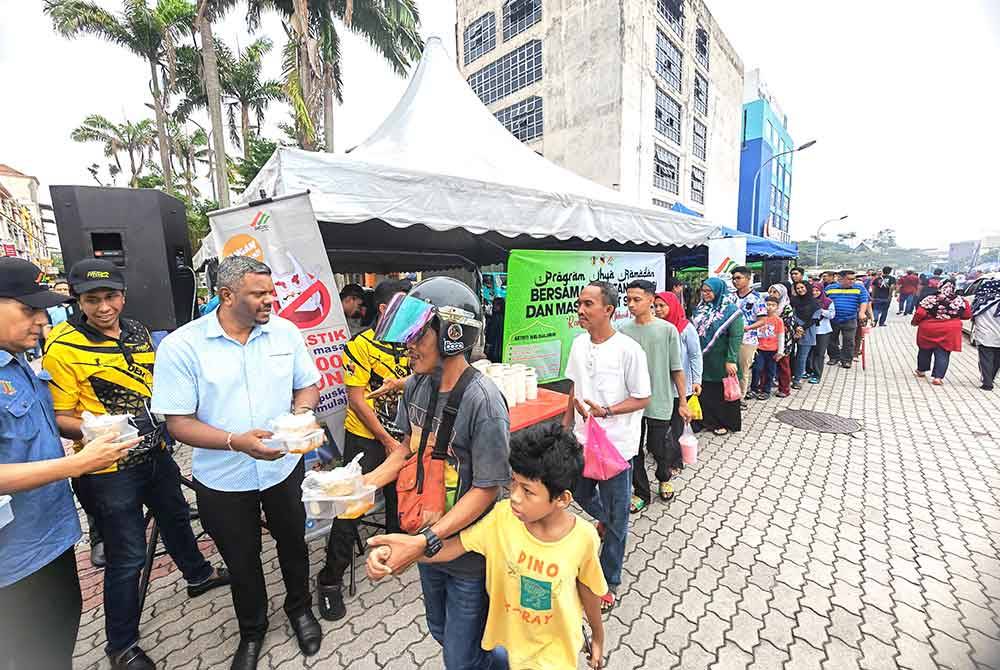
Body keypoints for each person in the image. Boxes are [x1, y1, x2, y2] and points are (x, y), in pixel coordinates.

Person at [43, 259, 230, 670]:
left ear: (123, 296)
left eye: (110, 296)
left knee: (177, 517)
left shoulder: (138, 330)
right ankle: (121, 645)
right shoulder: (61, 345)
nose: (104, 307)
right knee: (128, 555)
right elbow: (57, 416)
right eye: (92, 299)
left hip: (156, 452)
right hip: (109, 469)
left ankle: (198, 576)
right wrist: (95, 430)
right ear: (78, 301)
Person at [151, 256, 324, 670]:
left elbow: (308, 385)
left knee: (293, 544)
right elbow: (178, 423)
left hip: (283, 468)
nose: (271, 300)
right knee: (242, 558)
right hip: (223, 478)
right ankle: (252, 630)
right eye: (259, 294)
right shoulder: (182, 346)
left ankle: (300, 609)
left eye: (271, 291)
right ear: (226, 296)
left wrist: (301, 414)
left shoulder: (285, 332)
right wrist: (235, 442)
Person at [350, 276, 512, 670]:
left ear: (453, 335)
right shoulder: (416, 386)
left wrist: (424, 541)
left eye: (420, 334)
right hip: (428, 542)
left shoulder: (485, 403)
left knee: (460, 658)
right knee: (442, 632)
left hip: (468, 552)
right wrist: (360, 486)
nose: (409, 344)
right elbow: (408, 448)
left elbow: (488, 489)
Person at [368, 424, 609, 669]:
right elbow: (454, 547)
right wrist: (403, 551)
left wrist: (598, 637)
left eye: (527, 491)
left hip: (554, 655)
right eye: (513, 483)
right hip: (509, 645)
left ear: (562, 499)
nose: (514, 496)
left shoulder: (584, 537)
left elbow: (589, 589)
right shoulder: (502, 518)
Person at [0, 258, 140, 670]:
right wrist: (80, 464)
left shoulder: (19, 364)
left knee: (58, 642)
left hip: (50, 536)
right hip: (13, 560)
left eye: (42, 309)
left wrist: (93, 434)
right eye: (28, 310)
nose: (41, 320)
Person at [315, 279, 411, 621]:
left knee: (400, 496)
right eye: (406, 304)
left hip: (402, 435)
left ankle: (391, 549)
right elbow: (356, 400)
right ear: (385, 310)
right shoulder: (360, 345)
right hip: (367, 436)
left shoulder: (410, 340)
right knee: (353, 505)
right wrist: (386, 439)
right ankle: (329, 580)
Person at [562, 281, 650, 611]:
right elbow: (574, 386)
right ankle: (608, 520)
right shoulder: (578, 344)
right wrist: (565, 426)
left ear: (608, 310)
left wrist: (607, 411)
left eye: (588, 304)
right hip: (583, 441)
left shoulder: (629, 350)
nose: (581, 310)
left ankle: (608, 579)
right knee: (578, 492)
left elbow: (644, 397)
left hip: (616, 446)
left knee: (617, 518)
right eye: (579, 304)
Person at [618, 280, 690, 512]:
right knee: (634, 449)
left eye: (636, 299)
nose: (631, 304)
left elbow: (676, 368)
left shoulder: (667, 330)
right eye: (628, 299)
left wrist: (683, 402)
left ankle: (664, 476)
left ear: (651, 300)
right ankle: (641, 492)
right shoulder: (623, 330)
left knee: (659, 446)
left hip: (660, 399)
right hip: (632, 402)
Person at [691, 277, 744, 435]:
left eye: (709, 291)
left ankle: (722, 422)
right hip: (703, 359)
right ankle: (704, 420)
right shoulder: (700, 308)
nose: (705, 294)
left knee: (720, 392)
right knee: (704, 390)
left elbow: (736, 336)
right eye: (703, 291)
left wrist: (731, 359)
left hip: (721, 359)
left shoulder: (731, 311)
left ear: (718, 291)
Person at [654, 290, 702, 443]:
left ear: (673, 306)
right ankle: (661, 450)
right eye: (655, 306)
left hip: (680, 384)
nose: (658, 309)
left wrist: (697, 380)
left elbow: (695, 355)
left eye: (662, 305)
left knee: (677, 421)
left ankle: (675, 458)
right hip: (661, 384)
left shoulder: (685, 328)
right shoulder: (655, 326)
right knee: (661, 422)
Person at [911, 282, 972, 385]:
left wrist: (915, 322)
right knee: (943, 352)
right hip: (950, 330)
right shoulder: (961, 300)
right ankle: (937, 377)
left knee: (925, 349)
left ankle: (921, 370)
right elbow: (967, 315)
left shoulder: (930, 299)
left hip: (929, 329)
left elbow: (920, 313)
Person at [730, 266, 766, 402]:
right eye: (733, 278)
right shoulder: (731, 297)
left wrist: (747, 328)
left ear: (748, 279)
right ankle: (730, 393)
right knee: (730, 367)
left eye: (738, 278)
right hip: (730, 338)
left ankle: (740, 398)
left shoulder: (757, 298)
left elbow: (762, 320)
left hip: (747, 340)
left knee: (743, 370)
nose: (735, 281)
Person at [825, 270, 869, 369]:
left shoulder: (859, 288)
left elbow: (864, 301)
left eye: (853, 279)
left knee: (849, 340)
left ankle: (846, 360)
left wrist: (862, 313)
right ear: (840, 279)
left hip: (850, 318)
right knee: (831, 339)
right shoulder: (830, 288)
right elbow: (823, 300)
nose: (852, 281)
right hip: (833, 319)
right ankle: (834, 357)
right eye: (849, 279)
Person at [750, 296, 784, 399]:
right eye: (768, 304)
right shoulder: (759, 318)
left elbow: (780, 336)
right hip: (759, 348)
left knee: (770, 371)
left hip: (772, 350)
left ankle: (766, 391)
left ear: (777, 307)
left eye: (773, 305)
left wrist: (780, 351)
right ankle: (753, 389)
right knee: (757, 369)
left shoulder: (778, 321)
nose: (770, 307)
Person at [970, 277, 1000, 390]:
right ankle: (990, 378)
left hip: (984, 335)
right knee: (997, 360)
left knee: (986, 359)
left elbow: (972, 316)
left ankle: (987, 382)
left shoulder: (980, 301)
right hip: (998, 336)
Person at [767, 284, 795, 397]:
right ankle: (764, 387)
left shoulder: (786, 307)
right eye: (771, 292)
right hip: (768, 340)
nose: (772, 294)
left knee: (783, 365)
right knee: (766, 364)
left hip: (783, 340)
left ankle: (784, 389)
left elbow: (789, 325)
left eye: (775, 292)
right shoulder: (767, 305)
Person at [809, 283, 836, 383]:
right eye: (813, 291)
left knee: (819, 353)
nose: (815, 293)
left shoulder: (828, 301)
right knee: (809, 352)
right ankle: (809, 371)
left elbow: (832, 315)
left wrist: (821, 311)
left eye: (817, 290)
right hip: (810, 329)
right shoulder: (808, 301)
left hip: (823, 331)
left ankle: (817, 374)